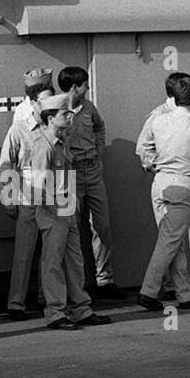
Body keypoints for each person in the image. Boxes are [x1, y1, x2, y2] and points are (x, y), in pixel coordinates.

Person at [29, 94, 110, 330]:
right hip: (53, 212)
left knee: (75, 261)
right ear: (51, 118)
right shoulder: (43, 148)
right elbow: (37, 187)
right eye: (65, 114)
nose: (69, 117)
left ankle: (81, 308)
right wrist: (55, 211)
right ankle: (55, 312)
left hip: (67, 208)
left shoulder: (61, 143)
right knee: (52, 262)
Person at [136, 75, 190, 312]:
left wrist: (154, 165)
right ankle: (148, 292)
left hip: (160, 183)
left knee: (174, 241)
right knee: (169, 241)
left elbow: (143, 149)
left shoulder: (158, 120)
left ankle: (184, 294)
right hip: (185, 183)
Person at [56, 66, 122, 300]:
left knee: (102, 226)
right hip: (69, 175)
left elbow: (99, 127)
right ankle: (75, 286)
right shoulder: (57, 109)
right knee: (69, 230)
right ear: (74, 86)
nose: (88, 87)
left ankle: (105, 280)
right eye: (85, 83)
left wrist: (99, 151)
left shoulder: (89, 108)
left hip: (92, 172)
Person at [0, 75, 55, 319]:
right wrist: (8, 198)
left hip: (55, 194)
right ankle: (16, 303)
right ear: (32, 104)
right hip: (27, 195)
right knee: (24, 253)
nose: (48, 105)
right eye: (43, 101)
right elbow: (5, 164)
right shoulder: (18, 129)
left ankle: (50, 301)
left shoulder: (57, 127)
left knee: (53, 253)